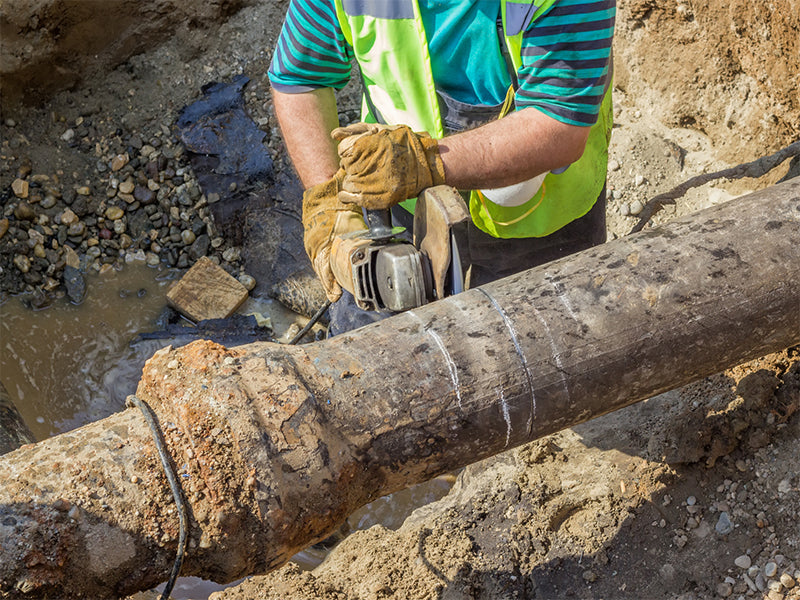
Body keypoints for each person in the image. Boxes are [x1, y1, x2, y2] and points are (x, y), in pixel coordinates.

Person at [269, 0, 615, 334]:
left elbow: (558, 123)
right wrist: (328, 198)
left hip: (539, 227)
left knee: (553, 360)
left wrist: (426, 161)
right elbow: (302, 76)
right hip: (396, 215)